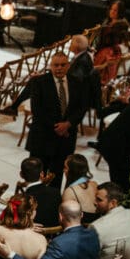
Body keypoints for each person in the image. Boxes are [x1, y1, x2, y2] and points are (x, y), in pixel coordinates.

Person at [24, 52, 85, 188]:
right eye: (55, 65)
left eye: (63, 65)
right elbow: (37, 110)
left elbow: (81, 108)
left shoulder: (77, 82)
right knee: (37, 178)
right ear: (50, 66)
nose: (59, 68)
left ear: (68, 65)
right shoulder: (39, 82)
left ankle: (53, 203)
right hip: (43, 137)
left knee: (56, 178)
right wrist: (59, 128)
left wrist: (68, 124)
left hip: (66, 140)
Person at [19, 157, 60, 228]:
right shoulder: (56, 192)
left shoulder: (22, 199)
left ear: (21, 175)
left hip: (30, 235)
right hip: (53, 235)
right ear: (42, 174)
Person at [61, 154, 99, 224]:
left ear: (73, 171)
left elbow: (66, 220)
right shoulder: (94, 184)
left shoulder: (69, 192)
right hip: (97, 223)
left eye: (65, 168)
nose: (63, 170)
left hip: (81, 228)